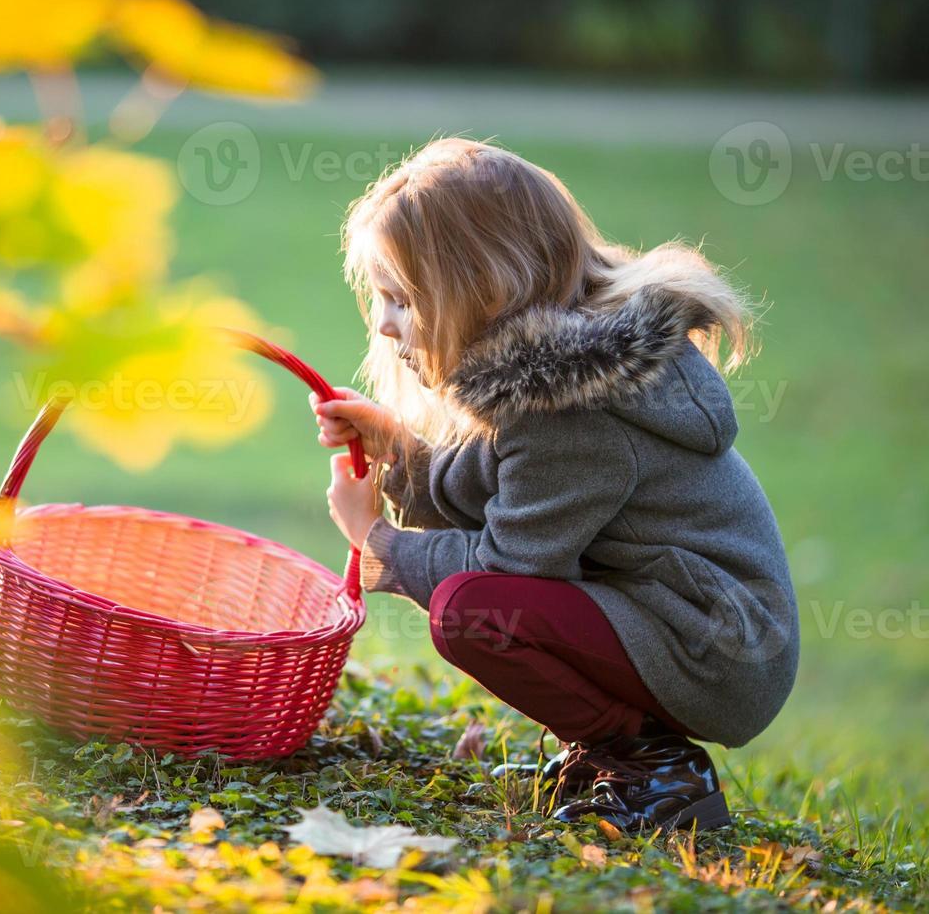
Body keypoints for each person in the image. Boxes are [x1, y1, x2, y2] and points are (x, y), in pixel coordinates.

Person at [314, 138, 798, 832]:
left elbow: (508, 567)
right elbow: (504, 487)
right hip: (684, 622)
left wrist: (375, 539)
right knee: (481, 604)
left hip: (719, 652)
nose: (384, 325)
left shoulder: (572, 410)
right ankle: (617, 752)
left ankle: (654, 767)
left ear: (482, 290)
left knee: (472, 612)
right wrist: (399, 453)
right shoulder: (555, 375)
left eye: (402, 300)